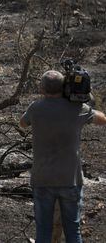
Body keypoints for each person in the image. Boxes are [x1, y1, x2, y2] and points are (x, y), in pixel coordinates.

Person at [19, 70, 106, 243]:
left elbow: (22, 123)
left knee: (43, 231)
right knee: (73, 231)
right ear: (64, 86)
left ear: (42, 88)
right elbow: (102, 119)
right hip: (70, 180)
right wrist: (84, 98)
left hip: (42, 179)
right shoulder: (78, 108)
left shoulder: (35, 108)